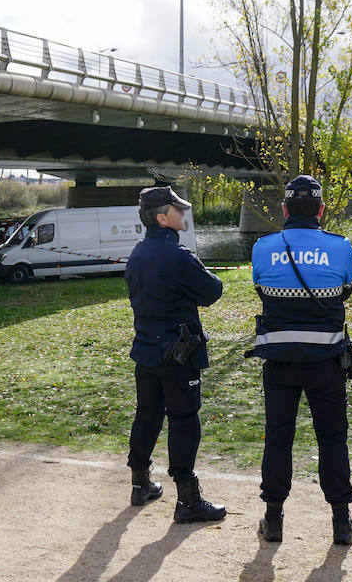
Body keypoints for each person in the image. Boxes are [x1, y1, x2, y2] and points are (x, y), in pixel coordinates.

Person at [248, 175, 352, 545]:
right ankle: (342, 523)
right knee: (332, 438)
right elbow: (345, 291)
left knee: (278, 438)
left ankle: (273, 519)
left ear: (284, 209)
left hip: (279, 360)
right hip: (327, 360)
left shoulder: (262, 248)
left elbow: (262, 290)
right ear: (321, 210)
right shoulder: (341, 247)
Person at [124, 185, 226, 524]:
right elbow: (212, 291)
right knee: (184, 419)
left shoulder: (137, 254)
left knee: (148, 414)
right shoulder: (178, 257)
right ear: (161, 218)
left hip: (146, 351)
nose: (184, 214)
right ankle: (188, 499)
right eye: (177, 209)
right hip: (179, 355)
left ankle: (140, 483)